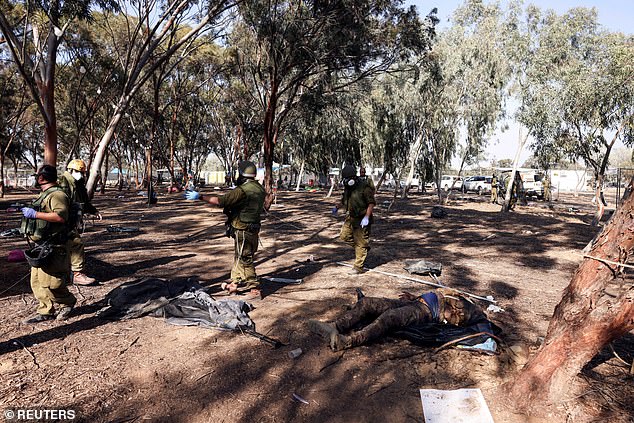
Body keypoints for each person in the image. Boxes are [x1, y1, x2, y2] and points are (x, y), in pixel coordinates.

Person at [184, 161, 265, 300]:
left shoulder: (242, 190)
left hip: (243, 229)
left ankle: (255, 288)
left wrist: (200, 196)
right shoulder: (259, 188)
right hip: (254, 228)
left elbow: (221, 201)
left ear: (242, 175)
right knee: (240, 257)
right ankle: (234, 284)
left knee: (245, 258)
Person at [308, 289, 486, 351]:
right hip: (416, 302)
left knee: (389, 318)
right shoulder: (454, 294)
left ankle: (347, 342)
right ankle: (335, 326)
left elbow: (482, 323)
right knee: (368, 302)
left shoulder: (472, 310)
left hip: (424, 313)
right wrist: (415, 297)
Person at [20, 165, 76, 323]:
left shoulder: (57, 195)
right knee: (37, 282)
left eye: (36, 176)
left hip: (55, 246)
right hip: (42, 245)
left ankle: (67, 302)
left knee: (52, 282)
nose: (34, 179)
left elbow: (61, 217)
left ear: (41, 178)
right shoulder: (45, 194)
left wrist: (35, 214)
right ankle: (46, 310)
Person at [58, 159, 102, 285]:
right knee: (76, 244)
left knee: (69, 245)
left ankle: (68, 272)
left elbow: (85, 202)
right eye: (77, 171)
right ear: (70, 170)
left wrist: (94, 211)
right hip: (60, 220)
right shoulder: (62, 182)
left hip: (70, 220)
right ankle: (77, 274)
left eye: (81, 172)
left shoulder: (78, 183)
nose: (80, 174)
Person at [332, 164, 375, 275]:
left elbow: (371, 203)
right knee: (344, 236)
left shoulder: (365, 187)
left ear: (353, 177)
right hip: (350, 217)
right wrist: (337, 207)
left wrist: (366, 217)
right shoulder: (348, 187)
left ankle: (358, 267)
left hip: (362, 219)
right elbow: (344, 199)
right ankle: (362, 248)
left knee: (361, 242)